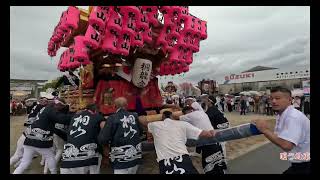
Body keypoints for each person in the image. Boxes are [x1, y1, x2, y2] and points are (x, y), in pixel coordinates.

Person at [253, 86, 310, 174]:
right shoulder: (283, 114)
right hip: (301, 161)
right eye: (271, 98)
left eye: (278, 98)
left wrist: (265, 130)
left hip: (305, 164)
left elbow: (286, 145)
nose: (273, 101)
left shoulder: (292, 117)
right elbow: (281, 138)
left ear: (289, 100)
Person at [139, 111, 215, 174]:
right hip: (182, 158)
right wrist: (211, 131)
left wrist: (158, 117)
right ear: (172, 116)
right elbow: (206, 134)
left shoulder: (155, 125)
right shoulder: (183, 124)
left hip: (165, 161)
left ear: (163, 117)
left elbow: (141, 119)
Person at [13, 98, 73, 174]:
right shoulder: (50, 110)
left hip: (30, 139)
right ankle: (53, 172)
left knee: (24, 163)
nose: (62, 109)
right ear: (57, 105)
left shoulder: (46, 108)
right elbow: (62, 119)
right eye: (62, 107)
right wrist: (74, 115)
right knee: (51, 157)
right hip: (40, 140)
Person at [98, 97, 143, 174]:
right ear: (127, 105)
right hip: (135, 155)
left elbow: (103, 138)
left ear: (114, 106)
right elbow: (141, 132)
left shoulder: (112, 118)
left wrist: (105, 148)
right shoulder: (134, 116)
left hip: (120, 158)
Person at [60, 104, 105, 174]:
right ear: (96, 111)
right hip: (83, 159)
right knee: (99, 154)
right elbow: (104, 131)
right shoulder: (97, 116)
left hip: (66, 160)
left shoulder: (74, 117)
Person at [10, 97, 49, 167]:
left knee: (25, 154)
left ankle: (17, 165)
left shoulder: (37, 106)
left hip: (29, 130)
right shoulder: (41, 108)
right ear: (41, 102)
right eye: (45, 101)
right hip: (29, 133)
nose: (47, 103)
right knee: (19, 155)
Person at [202, 95, 229, 174]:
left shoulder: (211, 111)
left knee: (220, 148)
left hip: (219, 131)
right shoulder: (215, 109)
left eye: (206, 100)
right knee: (222, 148)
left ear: (210, 101)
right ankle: (223, 164)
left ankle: (221, 165)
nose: (205, 101)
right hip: (223, 129)